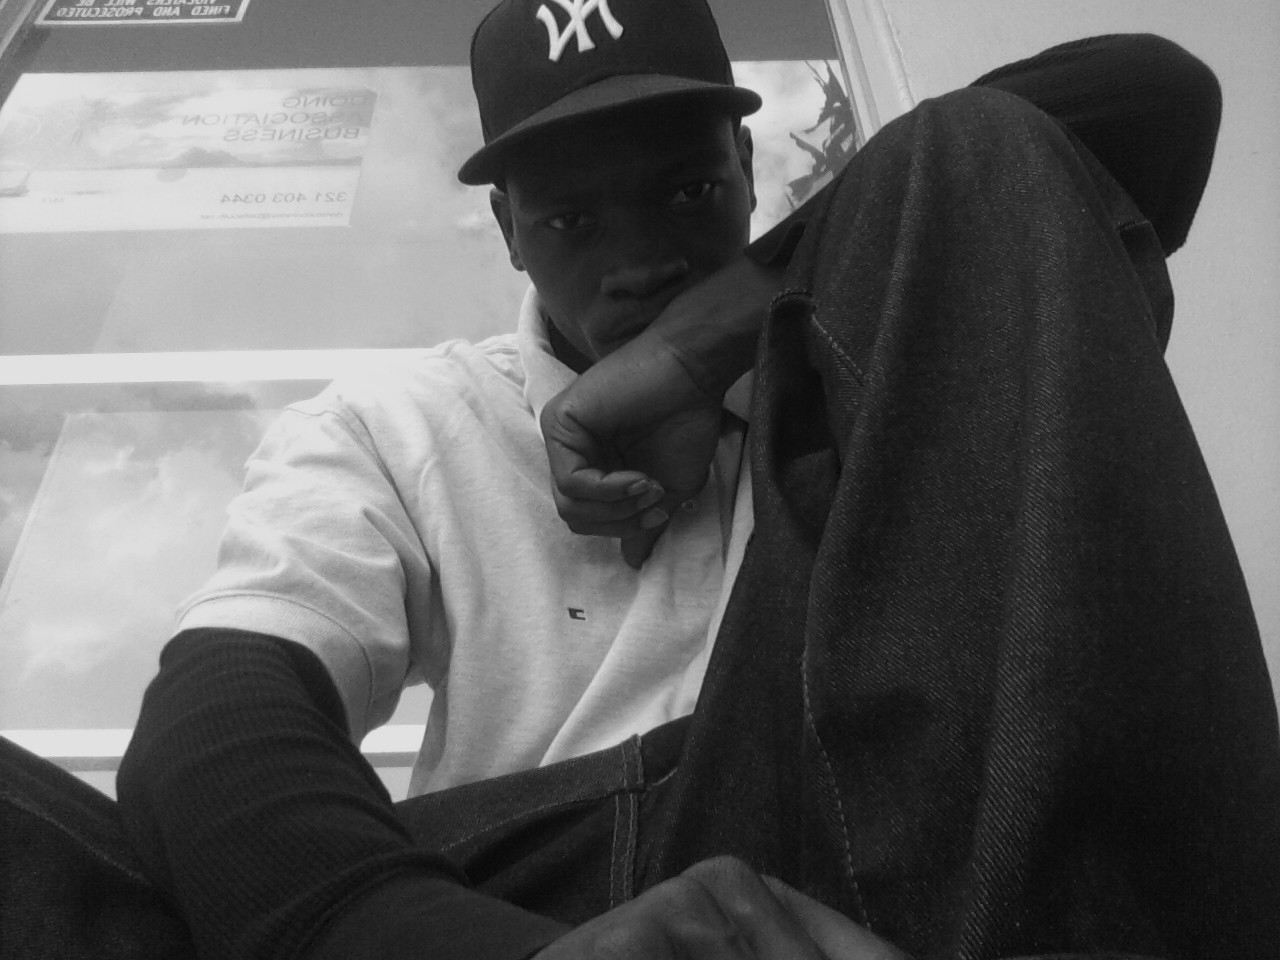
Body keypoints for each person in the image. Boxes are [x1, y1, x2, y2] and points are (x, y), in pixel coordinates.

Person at [3, 0, 1277, 958]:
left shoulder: (864, 351)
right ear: (506, 232)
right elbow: (211, 727)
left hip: (846, 849)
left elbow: (1150, 95)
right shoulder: (398, 421)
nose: (641, 259)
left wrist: (695, 346)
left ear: (748, 176)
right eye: (571, 221)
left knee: (975, 145)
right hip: (496, 895)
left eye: (685, 191)